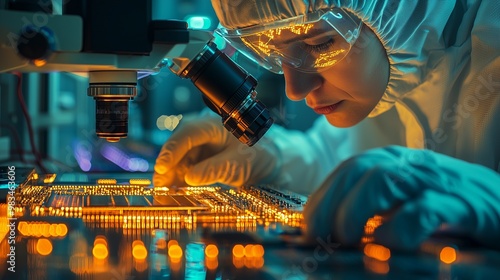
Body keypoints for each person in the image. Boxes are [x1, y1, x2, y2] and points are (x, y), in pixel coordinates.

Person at [154, 0, 500, 250]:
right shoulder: (390, 80)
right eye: (272, 54)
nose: (294, 90)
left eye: (320, 44)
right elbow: (341, 160)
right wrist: (279, 158)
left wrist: (490, 198)